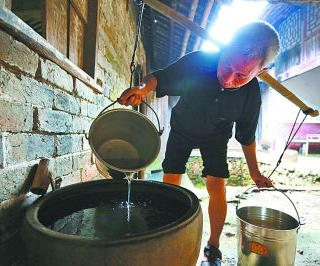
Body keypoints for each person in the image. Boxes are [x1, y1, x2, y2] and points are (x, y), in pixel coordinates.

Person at [119, 21, 279, 266]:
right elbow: (160, 78)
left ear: (260, 71)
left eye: (241, 75)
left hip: (216, 137)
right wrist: (142, 88)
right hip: (182, 128)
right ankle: (168, 231)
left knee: (217, 185)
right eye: (226, 65)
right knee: (171, 180)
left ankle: (212, 247)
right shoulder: (198, 62)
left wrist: (254, 171)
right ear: (224, 48)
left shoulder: (251, 95)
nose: (228, 78)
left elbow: (246, 136)